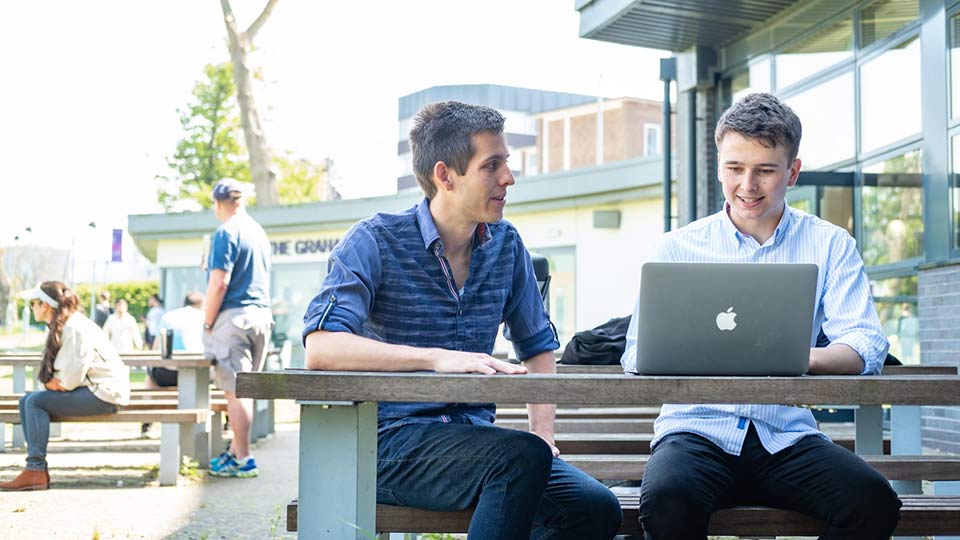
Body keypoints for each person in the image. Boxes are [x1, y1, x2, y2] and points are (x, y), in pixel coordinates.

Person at [302, 101, 621, 540]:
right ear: (445, 175)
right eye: (492, 165)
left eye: (506, 163)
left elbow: (538, 345)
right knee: (518, 458)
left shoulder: (506, 245)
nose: (508, 178)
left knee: (595, 508)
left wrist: (544, 436)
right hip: (386, 445)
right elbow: (321, 347)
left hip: (475, 442)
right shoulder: (374, 239)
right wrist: (436, 359)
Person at [621, 93, 901, 539]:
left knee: (873, 503)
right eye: (734, 168)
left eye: (765, 170)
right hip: (696, 433)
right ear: (719, 165)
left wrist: (795, 356)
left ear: (792, 172)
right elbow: (636, 353)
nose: (747, 185)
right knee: (667, 503)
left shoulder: (830, 244)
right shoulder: (678, 247)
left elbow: (865, 344)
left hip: (785, 435)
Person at [0, 281, 130, 491]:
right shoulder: (66, 324)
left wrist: (53, 382)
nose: (31, 307)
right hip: (96, 390)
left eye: (34, 303)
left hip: (104, 394)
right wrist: (53, 382)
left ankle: (35, 470)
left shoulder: (74, 328)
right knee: (27, 400)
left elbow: (67, 381)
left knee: (34, 401)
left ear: (45, 305)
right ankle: (35, 470)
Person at [204, 178, 274, 478]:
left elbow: (219, 283)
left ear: (219, 204)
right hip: (261, 317)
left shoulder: (226, 232)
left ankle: (244, 459)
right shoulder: (258, 233)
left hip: (234, 318)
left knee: (235, 393)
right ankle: (235, 453)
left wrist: (207, 322)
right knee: (246, 389)